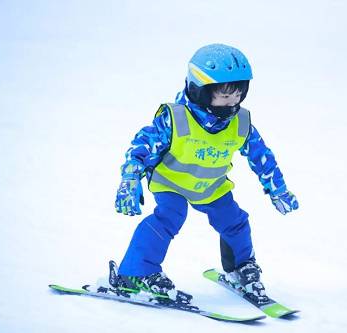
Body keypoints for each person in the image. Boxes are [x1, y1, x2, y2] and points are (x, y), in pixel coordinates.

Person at [115, 43, 299, 304]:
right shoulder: (175, 117)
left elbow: (262, 156)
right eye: (224, 97)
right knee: (170, 217)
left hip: (212, 186)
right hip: (171, 183)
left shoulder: (241, 122)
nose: (232, 103)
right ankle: (136, 273)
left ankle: (240, 268)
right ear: (200, 91)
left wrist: (277, 188)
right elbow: (142, 145)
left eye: (237, 96)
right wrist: (130, 178)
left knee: (235, 222)